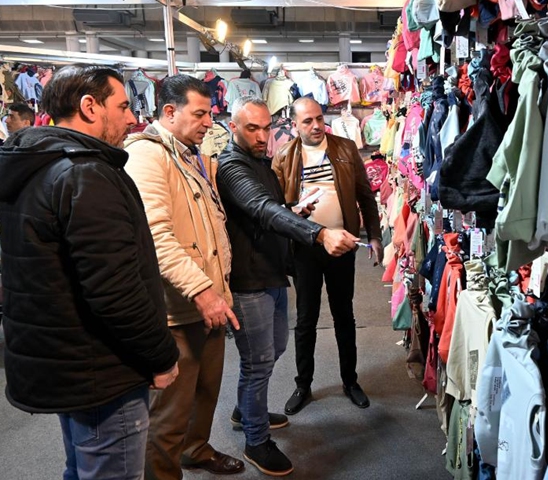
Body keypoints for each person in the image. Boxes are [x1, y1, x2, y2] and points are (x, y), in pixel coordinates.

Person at [0, 64, 180, 480]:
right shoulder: (85, 174)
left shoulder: (34, 165)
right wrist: (162, 355)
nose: (133, 117)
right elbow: (114, 291)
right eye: (122, 106)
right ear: (89, 107)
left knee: (81, 468)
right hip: (102, 370)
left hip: (66, 360)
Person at [216, 95, 358, 476]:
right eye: (252, 128)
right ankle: (256, 440)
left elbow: (271, 210)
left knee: (274, 348)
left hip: (271, 270)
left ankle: (247, 409)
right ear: (233, 127)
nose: (263, 135)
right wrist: (317, 234)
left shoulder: (261, 161)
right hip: (250, 279)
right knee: (258, 360)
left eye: (265, 127)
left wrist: (295, 210)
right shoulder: (233, 166)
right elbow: (261, 208)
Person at [124, 75, 244, 479]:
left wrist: (218, 292)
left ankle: (195, 449)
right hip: (179, 309)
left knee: (205, 392)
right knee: (170, 413)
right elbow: (156, 236)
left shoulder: (188, 152)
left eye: (209, 113)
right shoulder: (148, 156)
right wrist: (202, 291)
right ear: (169, 113)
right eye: (200, 113)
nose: (210, 122)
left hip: (209, 302)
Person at [272, 97, 383, 415]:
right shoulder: (284, 156)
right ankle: (302, 384)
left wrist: (374, 236)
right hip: (305, 249)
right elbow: (276, 208)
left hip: (342, 246)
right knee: (305, 318)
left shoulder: (346, 148)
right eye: (307, 121)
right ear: (295, 125)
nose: (316, 125)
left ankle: (350, 381)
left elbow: (365, 195)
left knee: (344, 316)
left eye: (319, 118)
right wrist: (295, 211)